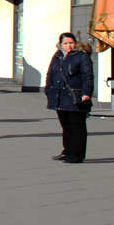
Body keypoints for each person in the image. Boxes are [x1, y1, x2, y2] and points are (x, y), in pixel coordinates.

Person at [44, 33, 94, 163]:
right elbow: (50, 74)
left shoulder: (82, 57)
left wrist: (86, 93)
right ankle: (67, 151)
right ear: (61, 44)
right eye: (65, 43)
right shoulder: (57, 56)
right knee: (66, 126)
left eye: (71, 43)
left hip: (75, 97)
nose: (69, 46)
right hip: (59, 96)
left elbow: (88, 76)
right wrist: (48, 89)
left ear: (75, 43)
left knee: (77, 126)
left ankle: (77, 155)